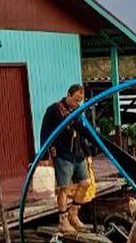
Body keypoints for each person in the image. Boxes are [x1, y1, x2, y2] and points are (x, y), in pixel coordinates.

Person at [40, 84, 96, 235]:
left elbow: (82, 132)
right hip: (63, 154)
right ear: (68, 95)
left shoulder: (78, 112)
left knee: (85, 183)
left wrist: (87, 152)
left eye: (80, 101)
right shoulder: (55, 110)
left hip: (78, 153)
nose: (77, 103)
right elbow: (45, 132)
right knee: (63, 188)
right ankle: (63, 221)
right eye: (76, 99)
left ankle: (73, 213)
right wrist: (44, 155)